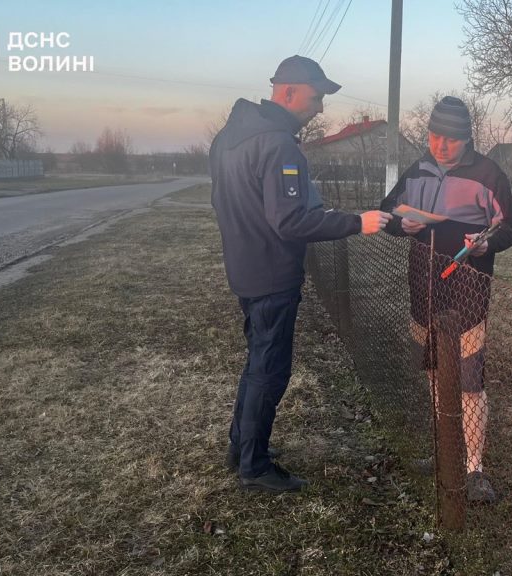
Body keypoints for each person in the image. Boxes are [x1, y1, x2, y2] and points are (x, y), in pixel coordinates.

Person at [210, 55, 392, 493]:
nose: (320, 109)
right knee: (269, 370)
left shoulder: (228, 139)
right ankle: (254, 467)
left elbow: (226, 203)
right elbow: (290, 221)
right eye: (316, 98)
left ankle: (242, 446)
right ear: (287, 91)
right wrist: (356, 222)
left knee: (257, 363)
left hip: (244, 266)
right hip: (272, 273)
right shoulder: (278, 145)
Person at [379, 96, 512, 503]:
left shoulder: (489, 174)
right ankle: (443, 450)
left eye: (451, 140)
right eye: (434, 136)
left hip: (468, 290)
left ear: (467, 138)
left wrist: (486, 242)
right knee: (432, 370)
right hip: (422, 285)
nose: (440, 146)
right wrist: (400, 224)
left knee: (468, 378)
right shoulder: (418, 169)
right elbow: (387, 209)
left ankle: (474, 469)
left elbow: (510, 226)